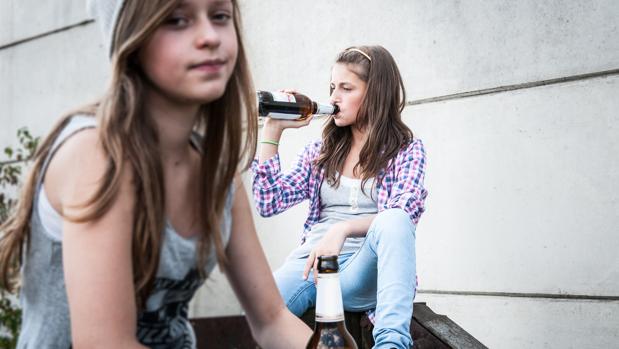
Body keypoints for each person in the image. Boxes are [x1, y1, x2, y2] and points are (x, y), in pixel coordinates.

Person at [0, 0, 312, 348]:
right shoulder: (99, 156)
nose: (209, 36)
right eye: (177, 20)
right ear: (131, 39)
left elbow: (271, 319)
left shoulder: (215, 172)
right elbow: (105, 342)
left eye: (220, 16)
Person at [252, 45, 428, 348]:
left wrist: (343, 228)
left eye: (346, 88)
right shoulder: (320, 152)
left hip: (364, 270)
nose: (334, 98)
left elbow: (404, 212)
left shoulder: (406, 150)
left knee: (395, 221)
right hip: (315, 266)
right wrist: (273, 130)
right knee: (251, 316)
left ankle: (392, 344)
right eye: (333, 87)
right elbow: (269, 201)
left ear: (375, 93)